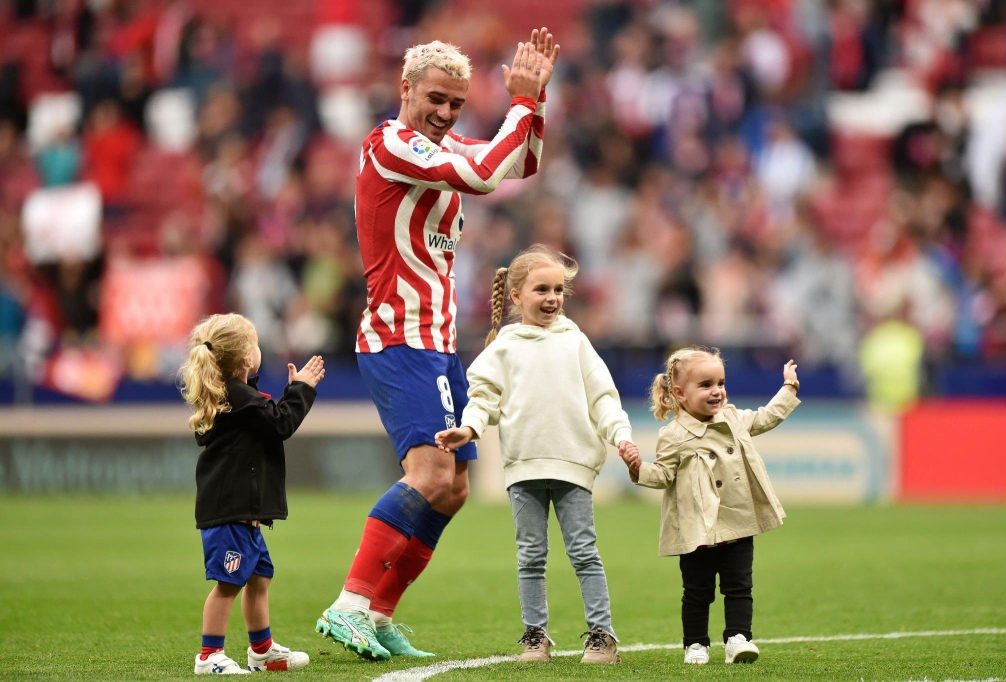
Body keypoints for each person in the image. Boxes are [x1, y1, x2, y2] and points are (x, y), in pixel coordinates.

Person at [315, 28, 560, 661]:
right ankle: (348, 603)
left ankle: (377, 613)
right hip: (399, 336)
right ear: (405, 89)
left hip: (436, 339)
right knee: (428, 474)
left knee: (453, 487)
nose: (447, 114)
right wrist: (520, 106)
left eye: (456, 104)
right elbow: (483, 175)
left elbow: (520, 164)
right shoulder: (391, 146)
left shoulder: (434, 147)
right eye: (436, 100)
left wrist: (535, 101)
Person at [434, 245, 634, 665]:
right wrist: (468, 428)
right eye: (541, 289)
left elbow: (603, 397)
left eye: (559, 290)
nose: (552, 298)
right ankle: (535, 637)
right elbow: (483, 398)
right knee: (530, 556)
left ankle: (602, 636)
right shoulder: (503, 349)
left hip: (574, 466)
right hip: (523, 468)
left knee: (583, 552)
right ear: (515, 296)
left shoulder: (575, 342)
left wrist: (621, 436)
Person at [620, 348, 800, 666]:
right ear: (679, 393)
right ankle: (695, 644)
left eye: (720, 382)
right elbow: (662, 474)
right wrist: (638, 468)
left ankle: (738, 638)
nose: (716, 391)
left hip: (738, 518)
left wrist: (788, 389)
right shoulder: (673, 436)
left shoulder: (732, 419)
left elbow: (764, 417)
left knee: (740, 585)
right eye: (705, 385)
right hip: (696, 527)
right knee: (697, 591)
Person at [179, 313, 325, 675]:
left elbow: (267, 415)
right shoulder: (240, 398)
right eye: (254, 345)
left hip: (243, 512)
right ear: (246, 358)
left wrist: (290, 392)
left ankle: (261, 650)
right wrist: (302, 389)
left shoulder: (235, 396)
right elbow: (281, 423)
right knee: (228, 584)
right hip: (231, 511)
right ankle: (209, 655)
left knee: (259, 578)